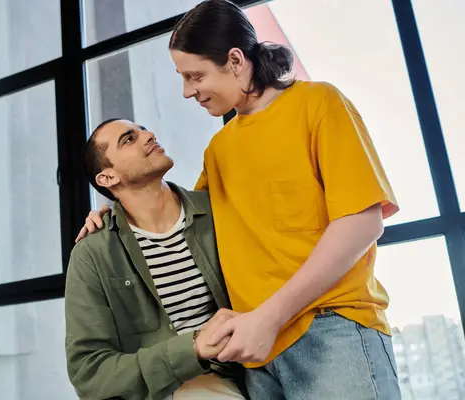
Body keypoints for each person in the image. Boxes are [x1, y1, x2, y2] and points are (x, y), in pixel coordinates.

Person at [76, 0, 402, 398]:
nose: (186, 91)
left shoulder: (318, 104)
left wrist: (269, 317)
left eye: (195, 75)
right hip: (255, 357)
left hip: (331, 331)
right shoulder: (219, 150)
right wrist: (109, 211)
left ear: (234, 60)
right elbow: (173, 211)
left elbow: (364, 222)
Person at [65, 118, 249, 399]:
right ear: (107, 178)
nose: (148, 135)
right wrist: (192, 349)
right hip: (169, 389)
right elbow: (89, 372)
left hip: (249, 371)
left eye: (142, 129)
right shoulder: (93, 254)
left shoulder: (217, 212)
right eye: (129, 139)